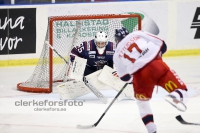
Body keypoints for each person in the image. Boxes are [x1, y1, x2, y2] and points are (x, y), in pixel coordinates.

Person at [113, 27, 189, 133]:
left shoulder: (117, 54)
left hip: (140, 76)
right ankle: (175, 96)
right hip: (156, 65)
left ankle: (151, 129)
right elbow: (162, 44)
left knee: (142, 103)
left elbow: (124, 77)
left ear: (117, 40)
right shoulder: (137, 34)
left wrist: (133, 80)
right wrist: (158, 57)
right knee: (182, 90)